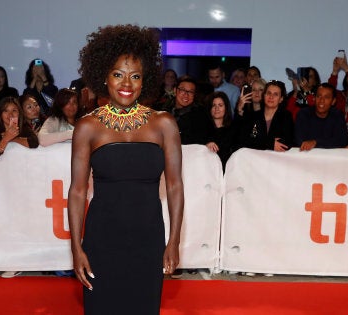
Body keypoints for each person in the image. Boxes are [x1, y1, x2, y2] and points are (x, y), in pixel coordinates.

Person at [68, 24, 183, 315]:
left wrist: (174, 241)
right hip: (102, 239)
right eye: (118, 74)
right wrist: (76, 248)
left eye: (135, 76)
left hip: (148, 238)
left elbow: (175, 186)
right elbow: (78, 191)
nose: (127, 83)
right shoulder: (87, 127)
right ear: (103, 76)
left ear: (145, 80)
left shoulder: (164, 124)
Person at [236, 80, 294, 152]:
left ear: (281, 99)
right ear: (264, 95)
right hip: (255, 159)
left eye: (275, 94)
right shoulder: (253, 116)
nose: (271, 97)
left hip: (276, 160)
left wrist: (258, 139)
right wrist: (270, 143)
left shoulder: (286, 116)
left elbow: (285, 143)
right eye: (268, 93)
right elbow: (244, 141)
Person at [295, 83, 348, 151]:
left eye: (326, 97)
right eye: (318, 96)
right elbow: (299, 141)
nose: (321, 101)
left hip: (330, 158)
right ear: (314, 98)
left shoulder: (337, 115)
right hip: (307, 156)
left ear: (333, 101)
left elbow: (341, 141)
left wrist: (315, 142)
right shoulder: (303, 114)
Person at [162, 77, 211, 145]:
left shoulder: (200, 115)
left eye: (191, 92)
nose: (186, 95)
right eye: (182, 90)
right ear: (175, 90)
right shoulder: (163, 110)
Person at [205, 91, 235, 168]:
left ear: (226, 108)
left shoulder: (233, 129)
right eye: (213, 105)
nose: (216, 108)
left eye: (220, 105)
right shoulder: (203, 128)